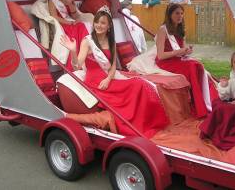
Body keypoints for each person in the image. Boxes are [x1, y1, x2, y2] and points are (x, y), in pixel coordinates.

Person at [60, 7, 168, 137]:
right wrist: (73, 51)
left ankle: (146, 123)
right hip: (95, 82)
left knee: (141, 84)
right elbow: (77, 66)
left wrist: (108, 79)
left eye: (103, 23)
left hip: (108, 79)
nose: (98, 25)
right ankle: (133, 125)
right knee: (137, 86)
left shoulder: (111, 41)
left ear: (109, 26)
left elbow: (112, 66)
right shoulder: (87, 41)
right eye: (97, 22)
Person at [155, 3, 216, 118]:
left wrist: (187, 51)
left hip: (177, 60)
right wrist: (179, 52)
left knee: (197, 65)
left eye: (182, 13)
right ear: (169, 14)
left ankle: (203, 102)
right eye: (177, 13)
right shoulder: (163, 30)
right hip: (166, 62)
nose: (180, 16)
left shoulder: (180, 29)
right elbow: (160, 56)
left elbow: (182, 49)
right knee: (192, 66)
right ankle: (198, 106)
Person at [48, 0, 89, 70]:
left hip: (71, 22)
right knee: (76, 29)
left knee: (81, 25)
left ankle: (85, 61)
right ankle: (73, 67)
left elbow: (75, 15)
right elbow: (54, 16)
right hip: (62, 24)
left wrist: (70, 3)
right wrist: (68, 23)